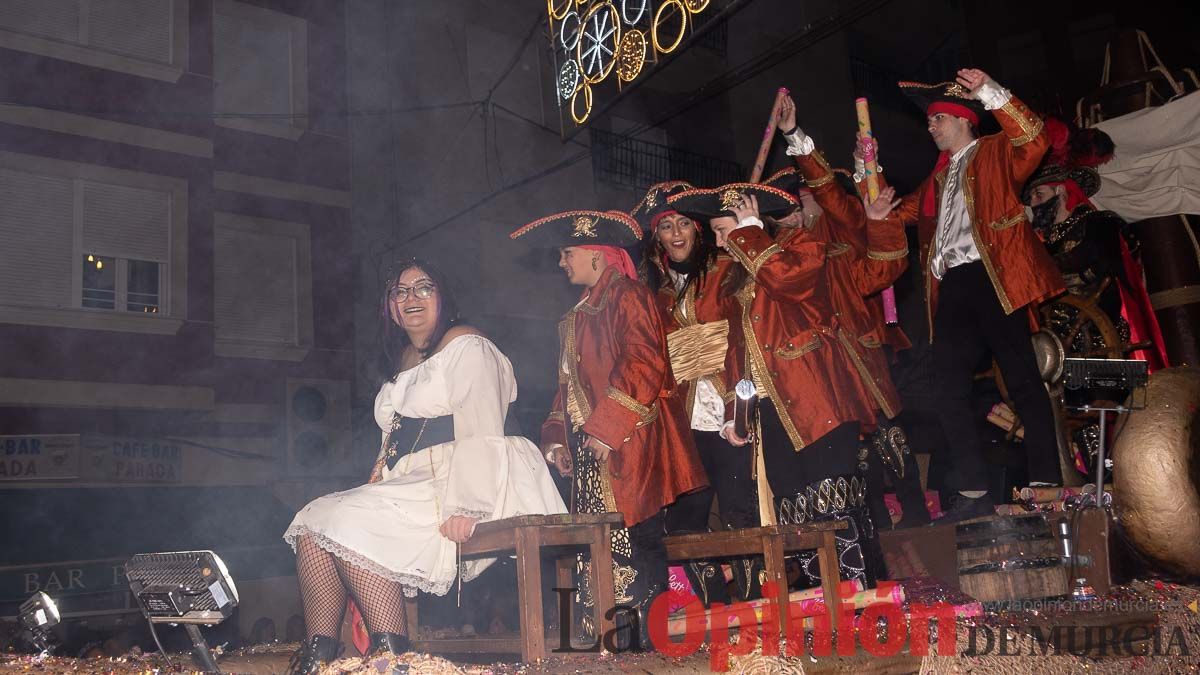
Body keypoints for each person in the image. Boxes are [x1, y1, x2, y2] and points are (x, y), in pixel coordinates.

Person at [282, 259, 566, 673]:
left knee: (348, 521)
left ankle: (393, 656)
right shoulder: (407, 358)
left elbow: (480, 424)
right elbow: (394, 438)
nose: (410, 297)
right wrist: (375, 480)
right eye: (400, 292)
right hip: (416, 475)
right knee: (312, 522)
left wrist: (468, 505)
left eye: (423, 288)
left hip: (471, 475)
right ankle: (319, 655)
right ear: (391, 308)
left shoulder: (468, 344)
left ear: (443, 297)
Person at [871, 69, 1065, 521]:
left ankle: (1045, 482)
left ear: (963, 118)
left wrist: (990, 92)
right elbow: (891, 215)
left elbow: (1035, 140)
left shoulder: (997, 150)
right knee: (946, 387)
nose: (931, 126)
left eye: (938, 118)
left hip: (995, 276)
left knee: (1022, 378)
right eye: (931, 121)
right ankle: (975, 489)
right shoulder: (935, 182)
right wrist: (872, 187)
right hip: (954, 288)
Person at [510, 209, 707, 649]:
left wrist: (608, 426)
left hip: (629, 440)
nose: (562, 263)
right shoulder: (573, 317)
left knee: (635, 534)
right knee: (595, 538)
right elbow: (566, 389)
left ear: (596, 255)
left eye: (568, 253)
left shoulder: (628, 295)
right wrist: (557, 439)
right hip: (591, 449)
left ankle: (643, 641)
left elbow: (645, 360)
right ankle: (602, 639)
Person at [669, 183, 883, 587]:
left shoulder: (801, 245)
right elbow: (738, 354)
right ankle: (822, 600)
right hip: (772, 410)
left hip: (819, 401)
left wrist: (749, 232)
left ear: (750, 220)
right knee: (793, 508)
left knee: (833, 502)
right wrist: (738, 415)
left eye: (722, 230)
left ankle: (860, 599)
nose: (716, 241)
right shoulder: (736, 278)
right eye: (714, 232)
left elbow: (787, 281)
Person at [765, 95, 931, 530]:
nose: (801, 205)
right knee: (854, 458)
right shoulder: (772, 261)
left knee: (889, 440)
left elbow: (885, 265)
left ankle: (914, 515)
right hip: (823, 372)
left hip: (862, 354)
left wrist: (792, 135)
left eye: (805, 195)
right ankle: (871, 529)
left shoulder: (842, 236)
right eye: (790, 202)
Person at [634, 181, 761, 604]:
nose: (675, 233)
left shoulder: (726, 271)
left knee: (739, 510)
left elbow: (744, 342)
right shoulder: (655, 295)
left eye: (683, 223)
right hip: (683, 416)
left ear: (697, 230)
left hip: (729, 405)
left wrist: (738, 413)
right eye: (666, 226)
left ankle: (752, 605)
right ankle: (712, 602)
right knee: (686, 517)